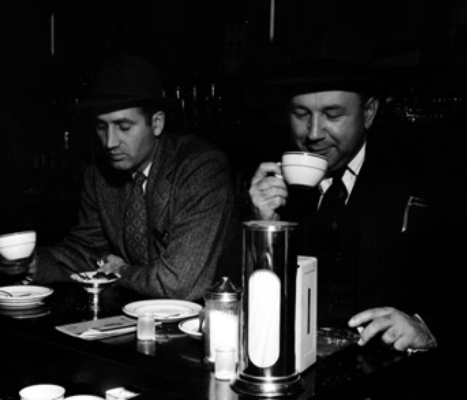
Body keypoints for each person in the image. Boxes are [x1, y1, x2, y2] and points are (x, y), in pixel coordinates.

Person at [249, 23, 442, 354]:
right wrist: (263, 226)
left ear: (369, 113)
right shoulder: (275, 186)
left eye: (332, 114)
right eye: (301, 114)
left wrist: (425, 326)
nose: (313, 133)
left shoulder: (418, 174)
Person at [1, 54, 237, 301]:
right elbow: (85, 251)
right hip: (137, 313)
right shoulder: (99, 175)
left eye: (124, 127)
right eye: (101, 127)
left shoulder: (201, 168)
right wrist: (32, 264)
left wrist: (120, 271)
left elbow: (178, 284)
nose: (110, 142)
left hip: (211, 316)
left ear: (157, 123)